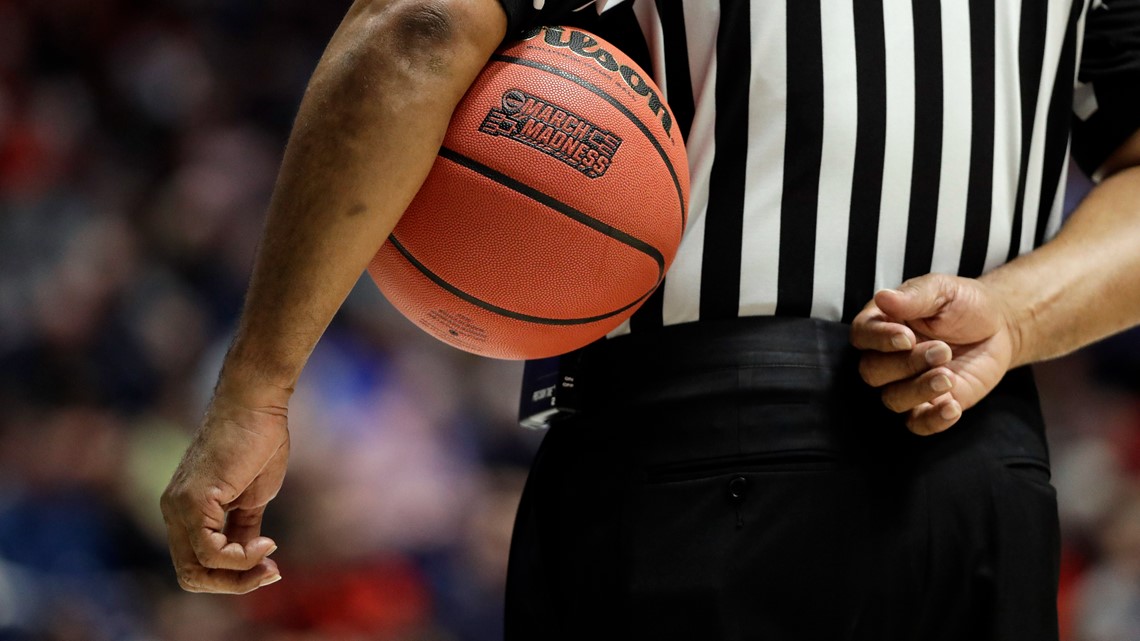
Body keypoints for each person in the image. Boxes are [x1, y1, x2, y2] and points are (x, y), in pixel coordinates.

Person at [160, 0, 1140, 638]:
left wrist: (259, 379)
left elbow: (418, 28)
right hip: (983, 471)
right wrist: (1010, 313)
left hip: (695, 455)